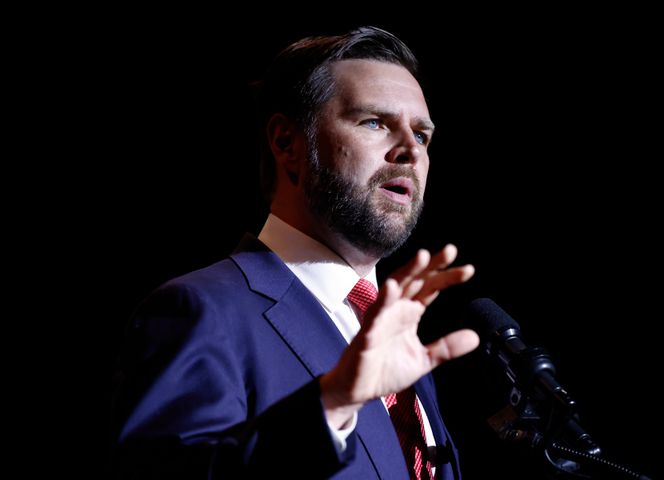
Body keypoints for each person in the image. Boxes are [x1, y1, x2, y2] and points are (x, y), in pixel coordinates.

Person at [110, 25, 480, 479]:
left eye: (422, 135)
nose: (409, 151)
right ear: (288, 144)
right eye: (374, 123)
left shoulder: (399, 340)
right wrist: (333, 405)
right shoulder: (202, 309)